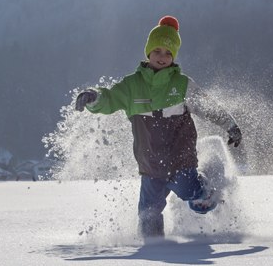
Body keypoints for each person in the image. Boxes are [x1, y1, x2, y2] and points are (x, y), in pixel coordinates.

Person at [74, 16, 242, 238]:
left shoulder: (182, 84)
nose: (162, 57)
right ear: (148, 53)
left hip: (180, 157)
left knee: (189, 190)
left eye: (168, 53)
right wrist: (94, 97)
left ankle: (206, 185)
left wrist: (230, 124)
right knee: (148, 214)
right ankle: (154, 251)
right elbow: (110, 98)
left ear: (174, 57)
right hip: (150, 162)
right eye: (157, 51)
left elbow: (208, 107)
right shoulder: (132, 85)